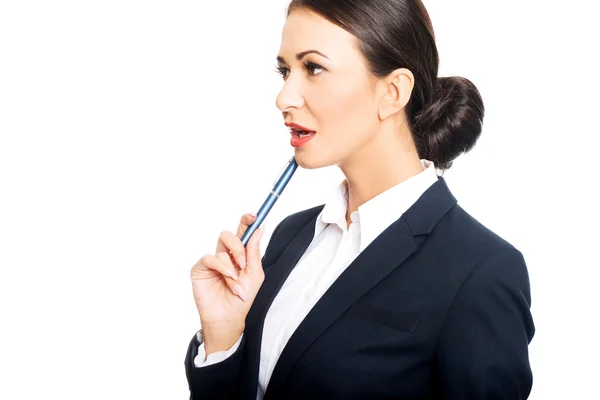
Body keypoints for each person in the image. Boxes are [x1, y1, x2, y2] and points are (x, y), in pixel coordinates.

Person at [184, 0, 535, 398]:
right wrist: (223, 337)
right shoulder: (289, 236)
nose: (283, 97)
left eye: (313, 68)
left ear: (393, 92)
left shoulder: (481, 272)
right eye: (285, 70)